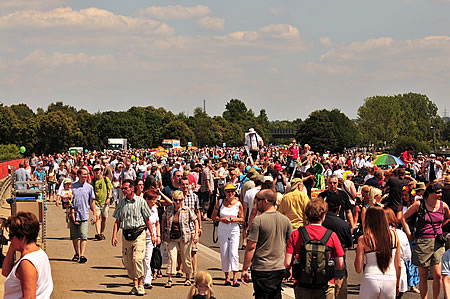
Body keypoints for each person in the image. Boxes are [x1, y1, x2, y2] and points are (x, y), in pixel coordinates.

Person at [285, 198, 344, 299]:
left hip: (303, 284)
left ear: (307, 215)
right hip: (325, 285)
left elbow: (287, 263)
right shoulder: (331, 235)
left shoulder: (296, 234)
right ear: (324, 215)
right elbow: (340, 265)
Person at [241, 189, 292, 299]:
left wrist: (245, 268)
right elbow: (289, 246)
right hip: (279, 267)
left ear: (265, 201)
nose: (256, 203)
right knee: (276, 295)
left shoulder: (258, 221)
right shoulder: (286, 220)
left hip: (262, 268)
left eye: (257, 200)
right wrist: (289, 266)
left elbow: (251, 247)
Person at [403, 182, 450, 299]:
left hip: (438, 242)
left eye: (441, 192)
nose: (440, 194)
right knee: (423, 275)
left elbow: (448, 217)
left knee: (438, 274)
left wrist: (441, 227)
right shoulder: (419, 204)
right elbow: (403, 218)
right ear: (430, 193)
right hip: (422, 241)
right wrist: (408, 233)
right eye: (437, 192)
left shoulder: (443, 205)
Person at [111, 179, 154, 296]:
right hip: (126, 234)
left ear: (132, 188)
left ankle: (141, 285)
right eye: (122, 189)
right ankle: (135, 285)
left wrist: (153, 234)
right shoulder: (121, 203)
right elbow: (117, 221)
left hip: (139, 234)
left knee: (137, 259)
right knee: (128, 261)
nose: (123, 191)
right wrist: (114, 236)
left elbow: (147, 219)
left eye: (125, 188)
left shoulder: (141, 202)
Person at [2, 212, 53, 299]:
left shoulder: (27, 263)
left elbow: (29, 297)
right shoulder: (39, 254)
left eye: (11, 236)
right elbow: (6, 272)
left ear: (23, 237)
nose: (9, 239)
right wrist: (13, 246)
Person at [355, 206, 401, 299]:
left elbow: (358, 268)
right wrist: (397, 285)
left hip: (371, 278)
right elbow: (398, 265)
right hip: (390, 278)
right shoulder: (394, 235)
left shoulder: (364, 239)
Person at [162, 190, 199, 288]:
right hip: (172, 237)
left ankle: (187, 278)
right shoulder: (169, 209)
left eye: (179, 200)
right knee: (172, 257)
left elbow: (195, 220)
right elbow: (163, 219)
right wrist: (162, 233)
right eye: (175, 200)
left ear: (182, 200)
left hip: (185, 237)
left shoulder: (187, 210)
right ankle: (170, 278)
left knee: (186, 257)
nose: (177, 202)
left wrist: (196, 233)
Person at [211, 184, 244, 286]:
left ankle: (235, 277)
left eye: (232, 191)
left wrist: (234, 219)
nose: (230, 194)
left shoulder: (238, 204)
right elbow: (213, 216)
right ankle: (227, 277)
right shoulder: (220, 202)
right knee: (224, 253)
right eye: (228, 191)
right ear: (224, 192)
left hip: (234, 229)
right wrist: (221, 219)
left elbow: (242, 218)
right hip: (223, 228)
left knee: (234, 253)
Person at [322, 200, 353, 299]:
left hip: (321, 267)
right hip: (339, 268)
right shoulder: (344, 225)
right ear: (339, 208)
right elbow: (349, 244)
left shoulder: (321, 223)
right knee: (340, 294)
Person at [70, 168, 96, 264]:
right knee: (75, 236)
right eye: (84, 174)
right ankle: (76, 253)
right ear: (79, 175)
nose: (85, 176)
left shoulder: (89, 188)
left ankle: (82, 255)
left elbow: (92, 202)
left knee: (83, 236)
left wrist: (94, 214)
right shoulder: (72, 187)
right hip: (73, 214)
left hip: (84, 214)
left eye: (87, 174)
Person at [384, 208, 411, 298]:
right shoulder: (400, 234)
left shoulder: (374, 234)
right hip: (398, 275)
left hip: (381, 276)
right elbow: (407, 256)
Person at [180, 177, 202, 275]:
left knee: (193, 250)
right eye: (183, 184)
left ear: (189, 185)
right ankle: (182, 269)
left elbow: (198, 212)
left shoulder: (194, 197)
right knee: (182, 251)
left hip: (192, 226)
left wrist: (200, 227)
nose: (184, 186)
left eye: (186, 184)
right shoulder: (178, 196)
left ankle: (194, 271)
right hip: (181, 227)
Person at [142, 190, 161, 289]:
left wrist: (158, 236)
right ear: (146, 199)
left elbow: (157, 223)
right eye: (152, 199)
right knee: (138, 259)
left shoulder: (155, 210)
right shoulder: (141, 209)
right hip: (140, 237)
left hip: (150, 238)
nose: (154, 202)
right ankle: (138, 277)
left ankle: (147, 280)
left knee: (147, 258)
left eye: (155, 199)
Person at [91, 164, 112, 241]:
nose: (97, 172)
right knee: (97, 217)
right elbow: (91, 192)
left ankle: (102, 232)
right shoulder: (93, 181)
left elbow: (110, 189)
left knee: (104, 218)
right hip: (96, 202)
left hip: (105, 202)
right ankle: (98, 233)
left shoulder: (105, 179)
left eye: (98, 170)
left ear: (101, 171)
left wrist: (109, 198)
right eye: (95, 170)